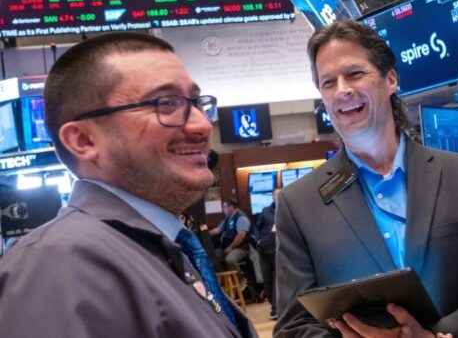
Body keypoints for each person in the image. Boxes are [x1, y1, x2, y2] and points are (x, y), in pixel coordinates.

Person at [273, 21, 458, 337]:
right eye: (329, 82)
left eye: (354, 74)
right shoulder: (299, 204)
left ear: (391, 79)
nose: (342, 90)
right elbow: (293, 327)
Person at [0, 32, 257, 338]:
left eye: (196, 102)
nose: (202, 124)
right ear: (83, 140)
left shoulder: (155, 247)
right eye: (166, 104)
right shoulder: (58, 265)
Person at [255, 187, 279, 319]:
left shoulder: (286, 211)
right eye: (276, 195)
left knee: (276, 280)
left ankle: (275, 309)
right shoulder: (265, 212)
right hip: (264, 250)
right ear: (272, 197)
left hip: (278, 251)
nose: (278, 197)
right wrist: (258, 240)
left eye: (280, 195)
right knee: (267, 279)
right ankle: (272, 304)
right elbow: (257, 228)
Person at [210, 198, 251, 272]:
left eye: (224, 207)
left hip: (240, 248)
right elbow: (218, 230)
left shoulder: (241, 218)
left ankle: (240, 280)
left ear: (231, 207)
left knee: (230, 260)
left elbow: (241, 235)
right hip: (226, 246)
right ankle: (225, 280)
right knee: (213, 258)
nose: (223, 209)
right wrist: (204, 234)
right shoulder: (228, 218)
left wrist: (230, 247)